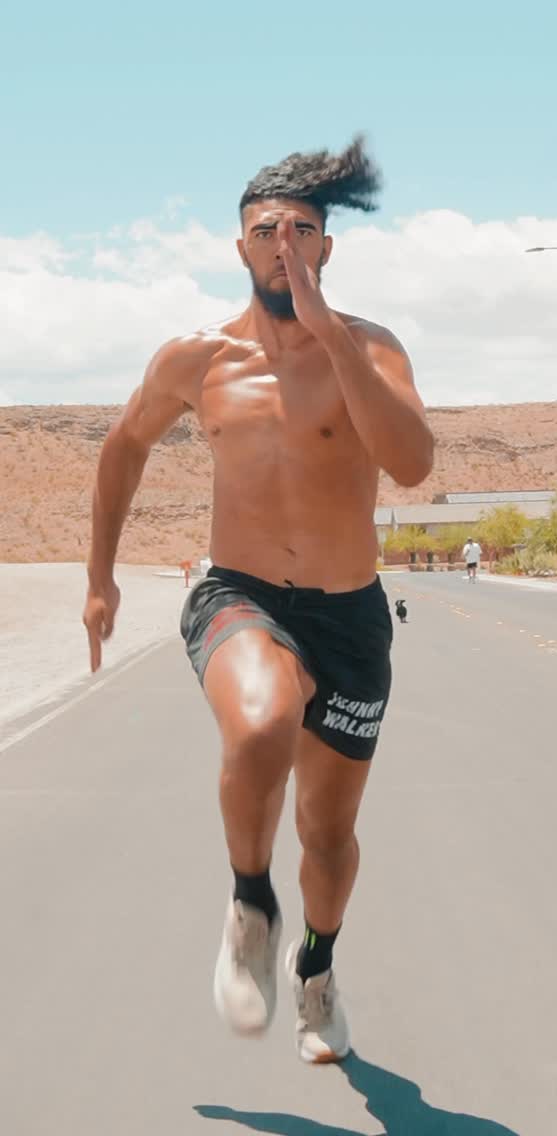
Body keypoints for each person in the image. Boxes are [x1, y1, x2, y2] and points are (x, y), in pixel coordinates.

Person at [82, 136, 434, 1064]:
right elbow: (123, 447)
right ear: (240, 247)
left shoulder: (372, 347)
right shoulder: (197, 359)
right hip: (239, 592)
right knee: (261, 720)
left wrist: (329, 335)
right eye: (268, 231)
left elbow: (410, 463)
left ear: (327, 248)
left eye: (303, 231)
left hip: (349, 613)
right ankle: (250, 905)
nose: (285, 246)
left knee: (328, 835)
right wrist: (99, 576)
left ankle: (315, 969)